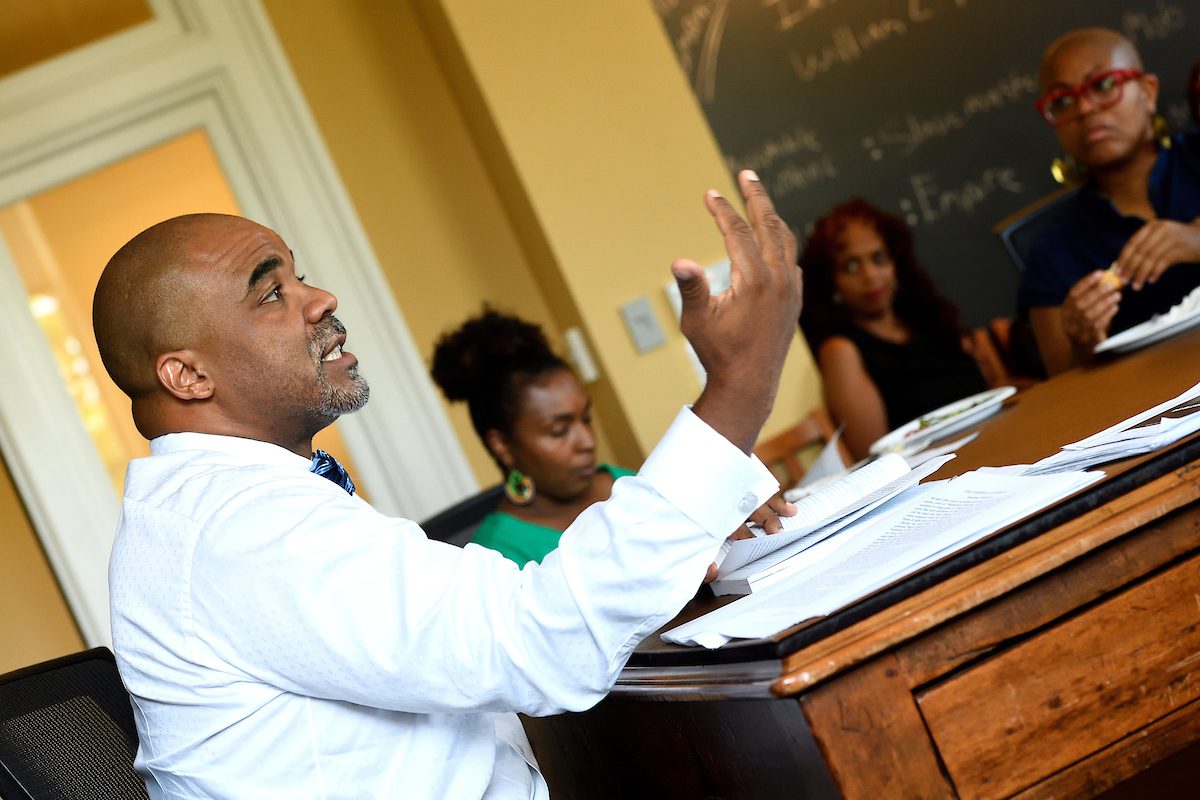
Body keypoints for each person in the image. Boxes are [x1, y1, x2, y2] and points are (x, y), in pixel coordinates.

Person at [95, 170, 802, 799]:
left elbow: (489, 625)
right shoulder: (237, 529)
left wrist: (678, 541)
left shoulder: (225, 508)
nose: (319, 299)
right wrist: (739, 386)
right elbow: (539, 641)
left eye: (299, 274)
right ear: (186, 376)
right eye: (272, 293)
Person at [1020, 28, 1200, 375]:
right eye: (1062, 101)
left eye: (1102, 85)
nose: (1085, 108)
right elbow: (1063, 391)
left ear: (1148, 92)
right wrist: (1082, 345)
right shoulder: (1054, 252)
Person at [429, 309, 633, 565]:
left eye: (586, 419)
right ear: (501, 445)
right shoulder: (497, 558)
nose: (588, 442)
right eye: (559, 431)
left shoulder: (627, 485)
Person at [798, 198, 987, 461]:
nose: (870, 275)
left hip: (993, 446)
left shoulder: (929, 320)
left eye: (878, 258)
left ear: (895, 262)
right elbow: (876, 457)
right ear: (832, 283)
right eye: (851, 266)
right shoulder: (842, 351)